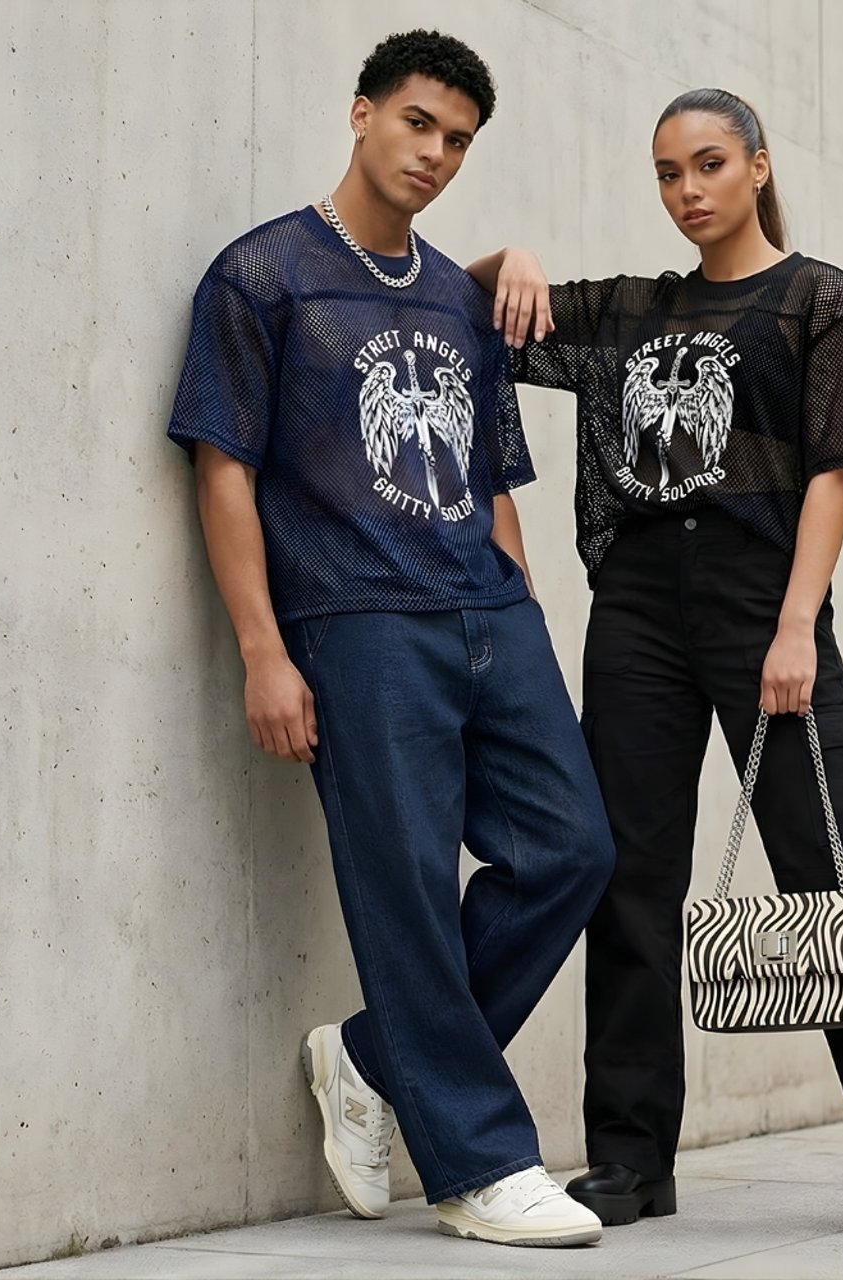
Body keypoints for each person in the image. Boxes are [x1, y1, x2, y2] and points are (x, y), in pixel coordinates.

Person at [467, 87, 843, 1241]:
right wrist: (517, 251)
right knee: (628, 878)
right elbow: (472, 295)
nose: (687, 189)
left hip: (761, 603)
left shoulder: (813, 297)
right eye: (666, 172)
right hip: (638, 608)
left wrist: (799, 624)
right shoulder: (634, 308)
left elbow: (834, 468)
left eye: (706, 164)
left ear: (755, 164)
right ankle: (631, 1157)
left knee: (836, 869)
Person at [165, 29, 613, 1249]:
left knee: (572, 849)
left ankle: (368, 1057)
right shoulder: (264, 275)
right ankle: (479, 1164)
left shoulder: (467, 300)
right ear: (362, 114)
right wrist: (263, 648)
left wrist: (516, 596)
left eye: (460, 140)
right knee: (406, 883)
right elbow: (223, 469)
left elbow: (493, 472)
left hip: (486, 608)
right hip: (355, 622)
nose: (437, 153)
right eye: (419, 123)